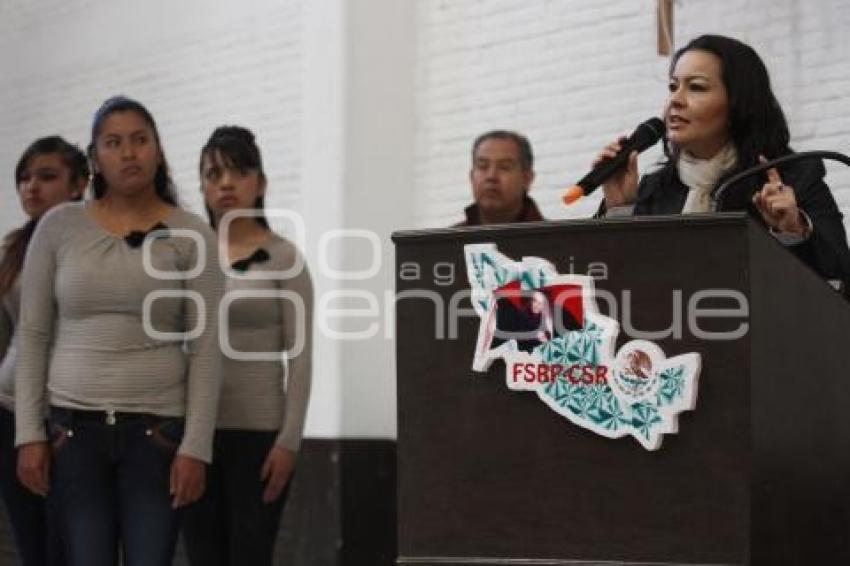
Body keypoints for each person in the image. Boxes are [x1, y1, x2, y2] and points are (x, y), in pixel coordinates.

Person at [14, 96, 223, 566]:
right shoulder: (58, 228)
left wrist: (197, 447)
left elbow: (208, 347)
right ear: (95, 159)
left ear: (157, 150)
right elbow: (32, 334)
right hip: (73, 434)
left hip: (159, 438)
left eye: (140, 140)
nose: (129, 153)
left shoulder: (192, 235)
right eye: (114, 143)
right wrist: (29, 433)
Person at [596, 34, 850, 286]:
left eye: (696, 87)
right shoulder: (653, 189)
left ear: (738, 103)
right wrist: (619, 210)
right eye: (673, 86)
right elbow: (617, 288)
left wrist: (793, 231)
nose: (675, 99)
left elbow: (839, 277)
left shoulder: (794, 176)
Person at [182, 126, 313, 566]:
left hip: (260, 435)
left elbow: (301, 357)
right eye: (213, 173)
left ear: (260, 183)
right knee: (202, 555)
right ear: (200, 185)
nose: (225, 184)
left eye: (238, 172)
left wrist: (289, 442)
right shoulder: (186, 257)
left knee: (250, 554)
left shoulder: (284, 258)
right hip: (193, 434)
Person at [0, 136, 88, 566]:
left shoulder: (92, 246)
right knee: (31, 544)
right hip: (8, 411)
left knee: (69, 545)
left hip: (66, 415)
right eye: (24, 178)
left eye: (46, 177)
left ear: (79, 184)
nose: (31, 187)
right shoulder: (10, 250)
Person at [458, 130, 544, 226]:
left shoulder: (556, 238)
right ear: (471, 177)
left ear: (527, 179)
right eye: (483, 166)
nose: (491, 176)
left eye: (504, 167)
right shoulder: (451, 239)